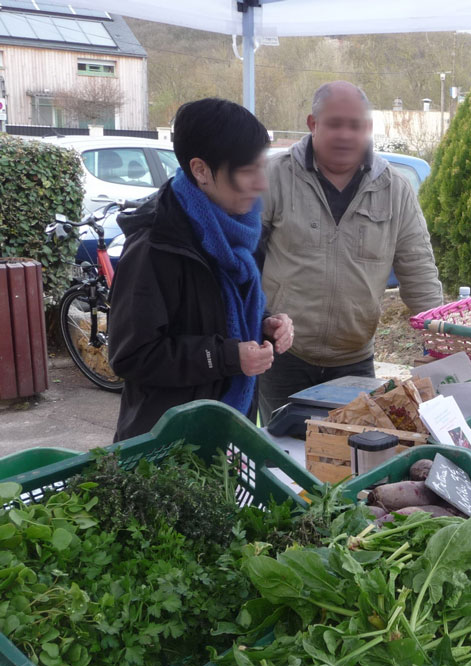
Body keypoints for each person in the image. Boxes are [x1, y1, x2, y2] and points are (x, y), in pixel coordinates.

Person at [257, 81, 444, 423]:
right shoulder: (275, 177)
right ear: (313, 124)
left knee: (350, 457)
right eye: (334, 123)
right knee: (283, 455)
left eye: (355, 125)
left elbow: (418, 269)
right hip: (283, 354)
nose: (345, 134)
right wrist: (258, 320)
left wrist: (442, 343)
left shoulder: (395, 189)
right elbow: (245, 260)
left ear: (368, 129)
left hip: (354, 358)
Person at [109, 98, 294, 441]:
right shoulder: (155, 246)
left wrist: (264, 324)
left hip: (224, 430)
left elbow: (217, 311)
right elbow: (131, 356)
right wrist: (225, 357)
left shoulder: (239, 229)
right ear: (201, 170)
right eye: (247, 171)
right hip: (168, 446)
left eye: (261, 168)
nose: (260, 184)